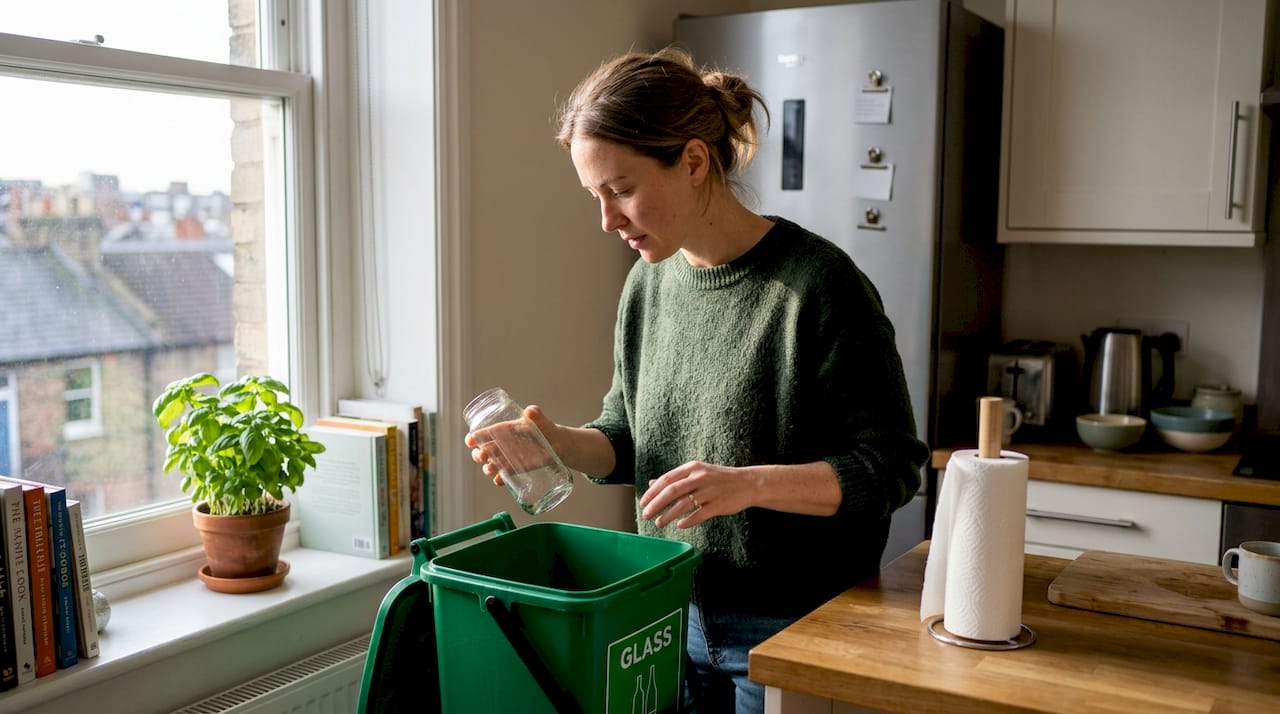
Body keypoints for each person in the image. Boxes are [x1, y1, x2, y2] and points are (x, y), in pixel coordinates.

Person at [466, 46, 928, 714]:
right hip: (664, 620)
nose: (607, 220)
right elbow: (628, 436)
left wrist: (747, 485)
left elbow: (890, 468)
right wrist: (557, 443)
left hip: (790, 632)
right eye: (595, 196)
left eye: (621, 190)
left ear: (692, 160)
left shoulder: (818, 287)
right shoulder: (647, 285)